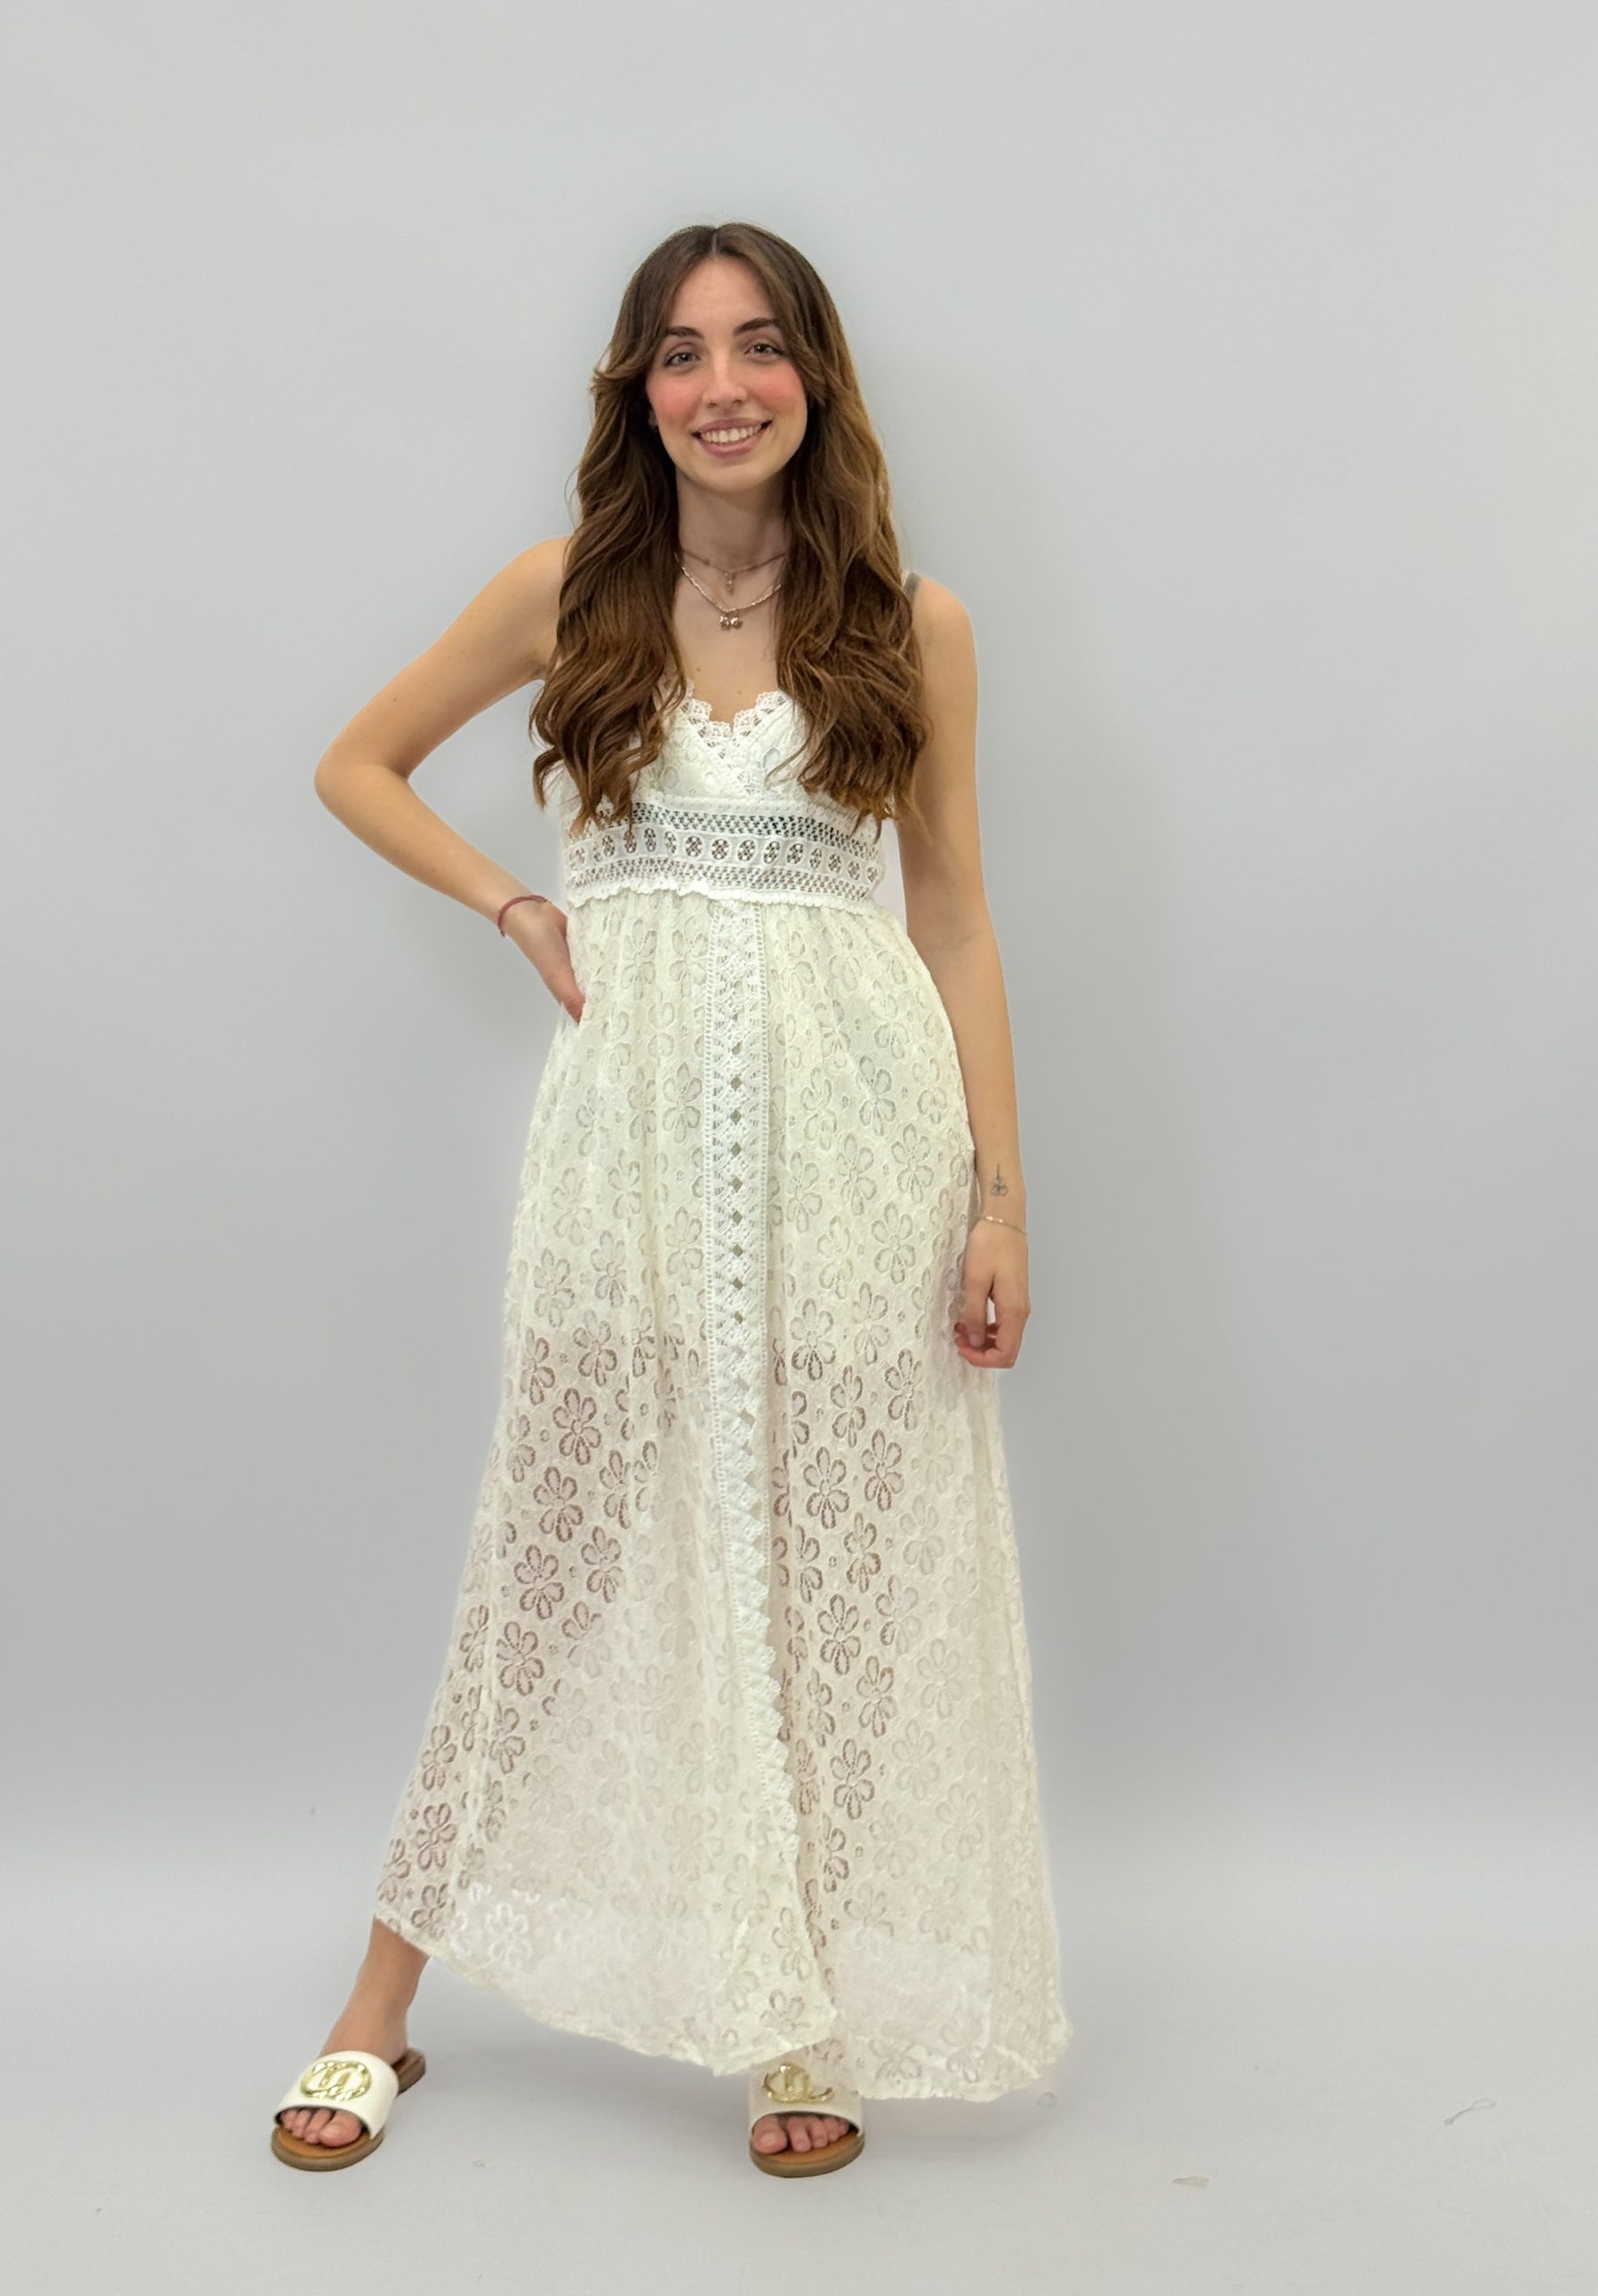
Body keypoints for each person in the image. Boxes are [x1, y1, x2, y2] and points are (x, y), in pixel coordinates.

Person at [272, 220, 1073, 2179]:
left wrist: (999, 1198)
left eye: (763, 345)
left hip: (859, 1152)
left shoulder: (915, 624)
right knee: (541, 1571)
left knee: (832, 1590)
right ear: (638, 389)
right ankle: (378, 2007)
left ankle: (797, 2013)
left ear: (816, 378)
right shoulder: (564, 593)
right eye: (685, 351)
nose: (727, 385)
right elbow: (359, 764)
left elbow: (957, 919)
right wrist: (514, 901)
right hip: (625, 1162)